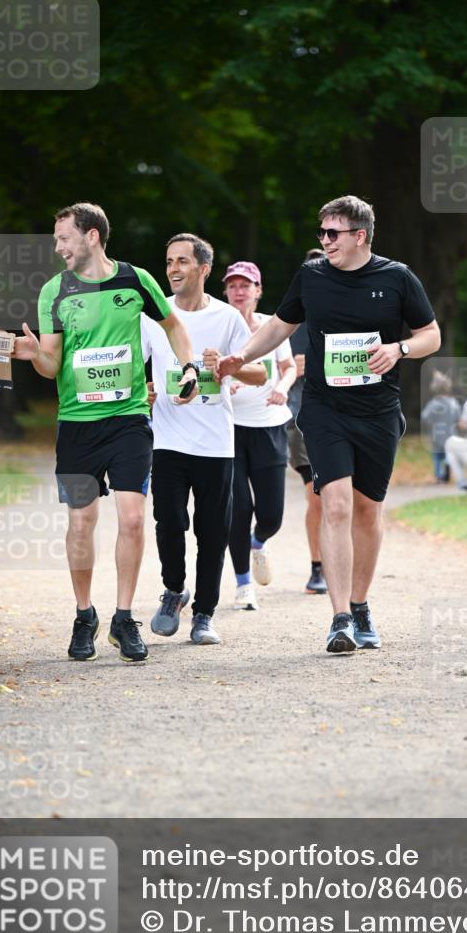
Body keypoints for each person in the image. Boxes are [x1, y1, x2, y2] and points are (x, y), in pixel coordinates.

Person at [217, 195, 441, 653]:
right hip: (324, 409)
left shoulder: (396, 277)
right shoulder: (312, 276)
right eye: (321, 233)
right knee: (334, 503)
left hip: (378, 410)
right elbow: (279, 325)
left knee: (367, 510)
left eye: (332, 233)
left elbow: (431, 335)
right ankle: (339, 618)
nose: (324, 241)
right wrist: (242, 355)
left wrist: (398, 350)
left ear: (360, 235)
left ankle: (361, 606)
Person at [13, 202, 197, 663]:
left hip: (129, 419)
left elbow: (173, 325)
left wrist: (188, 365)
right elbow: (52, 363)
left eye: (64, 239)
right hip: (77, 423)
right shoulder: (54, 291)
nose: (58, 248)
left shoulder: (134, 279)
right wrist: (36, 353)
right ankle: (84, 615)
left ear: (91, 236)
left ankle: (123, 616)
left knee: (133, 518)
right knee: (81, 523)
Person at [141, 235, 265, 645]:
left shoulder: (228, 318)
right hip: (168, 438)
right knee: (169, 522)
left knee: (212, 531)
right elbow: (135, 366)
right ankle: (174, 590)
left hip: (214, 442)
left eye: (182, 261)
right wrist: (145, 389)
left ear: (204, 269)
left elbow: (259, 375)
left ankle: (204, 614)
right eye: (169, 261)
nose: (173, 268)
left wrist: (228, 367)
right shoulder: (153, 316)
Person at [223, 261, 297, 611]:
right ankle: (243, 585)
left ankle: (258, 541)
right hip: (229, 429)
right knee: (237, 508)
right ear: (225, 291)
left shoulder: (271, 326)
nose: (239, 291)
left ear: (258, 290)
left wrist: (281, 387)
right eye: (233, 285)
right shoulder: (218, 324)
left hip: (269, 425)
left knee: (272, 514)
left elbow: (289, 367)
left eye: (246, 285)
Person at [286, 247, 328, 593]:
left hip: (345, 416)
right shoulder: (290, 322)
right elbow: (270, 365)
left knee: (345, 498)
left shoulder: (348, 312)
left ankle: (340, 562)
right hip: (301, 416)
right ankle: (318, 567)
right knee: (317, 496)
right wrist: (290, 369)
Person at [420, 370, 461, 483]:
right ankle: (448, 465)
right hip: (451, 434)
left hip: (437, 434)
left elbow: (425, 417)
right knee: (449, 453)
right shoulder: (453, 402)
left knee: (437, 456)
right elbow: (458, 417)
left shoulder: (434, 403)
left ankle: (438, 476)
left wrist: (432, 422)